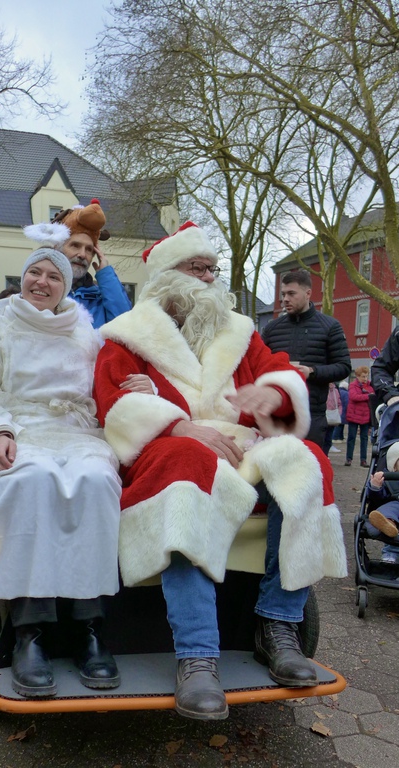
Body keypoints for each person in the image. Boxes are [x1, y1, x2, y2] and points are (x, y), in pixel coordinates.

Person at [93, 221, 347, 721]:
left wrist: (272, 395)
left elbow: (276, 374)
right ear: (167, 275)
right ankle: (197, 653)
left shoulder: (240, 332)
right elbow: (115, 404)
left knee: (307, 460)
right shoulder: (126, 336)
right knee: (186, 466)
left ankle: (278, 625)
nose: (209, 278)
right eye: (197, 268)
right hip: (168, 450)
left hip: (239, 449)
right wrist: (182, 425)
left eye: (213, 269)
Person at [0, 248, 122, 698]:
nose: (42, 281)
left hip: (75, 431)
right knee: (31, 480)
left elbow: (106, 384)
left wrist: (137, 387)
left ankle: (87, 629)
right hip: (17, 431)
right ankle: (30, 633)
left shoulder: (85, 335)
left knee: (96, 482)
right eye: (34, 273)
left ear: (65, 286)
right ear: (22, 279)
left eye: (52, 276)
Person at [261, 269, 351, 449]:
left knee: (309, 471)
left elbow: (343, 367)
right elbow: (259, 364)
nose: (285, 299)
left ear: (308, 293)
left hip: (312, 414)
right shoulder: (273, 329)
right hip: (276, 413)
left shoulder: (330, 326)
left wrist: (312, 372)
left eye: (291, 293)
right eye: (283, 294)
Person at [40, 199, 131, 327]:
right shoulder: (41, 289)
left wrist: (106, 275)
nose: (82, 255)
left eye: (89, 249)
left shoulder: (101, 299)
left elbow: (126, 326)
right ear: (57, 247)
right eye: (75, 246)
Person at [363, 441, 399, 564]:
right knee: (388, 509)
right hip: (393, 505)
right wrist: (375, 486)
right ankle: (388, 523)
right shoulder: (386, 477)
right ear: (394, 465)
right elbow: (376, 498)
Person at [344, 366, 374, 467]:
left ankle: (363, 460)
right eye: (363, 376)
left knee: (364, 439)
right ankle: (349, 458)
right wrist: (367, 396)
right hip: (354, 415)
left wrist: (368, 396)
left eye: (366, 376)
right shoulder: (353, 385)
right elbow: (353, 396)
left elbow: (373, 396)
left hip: (365, 416)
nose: (365, 379)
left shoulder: (370, 386)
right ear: (357, 376)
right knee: (351, 437)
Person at [324, 383, 342, 454]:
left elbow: (339, 403)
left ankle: (326, 454)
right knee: (323, 438)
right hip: (324, 417)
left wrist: (339, 413)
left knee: (328, 438)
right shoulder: (323, 389)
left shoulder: (336, 391)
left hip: (333, 417)